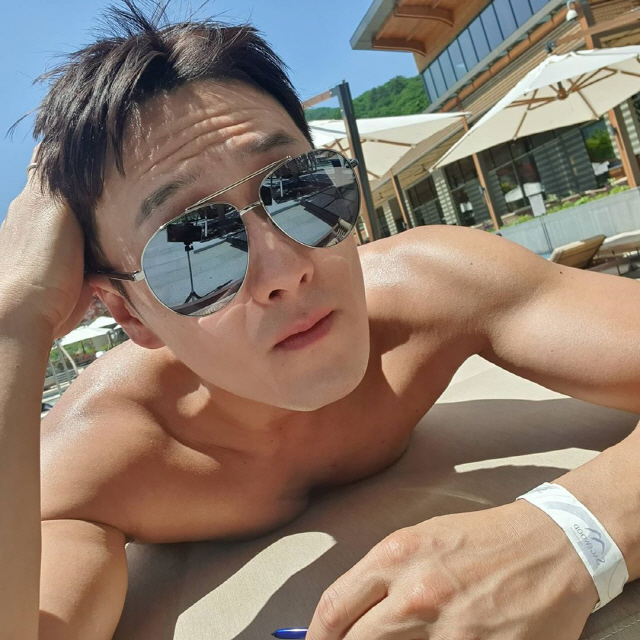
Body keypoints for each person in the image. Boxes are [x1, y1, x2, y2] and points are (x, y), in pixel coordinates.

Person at [1, 3, 639, 639]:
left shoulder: (437, 289)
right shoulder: (99, 463)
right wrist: (14, 317)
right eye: (192, 248)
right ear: (126, 312)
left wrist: (570, 537)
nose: (285, 270)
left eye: (301, 190)